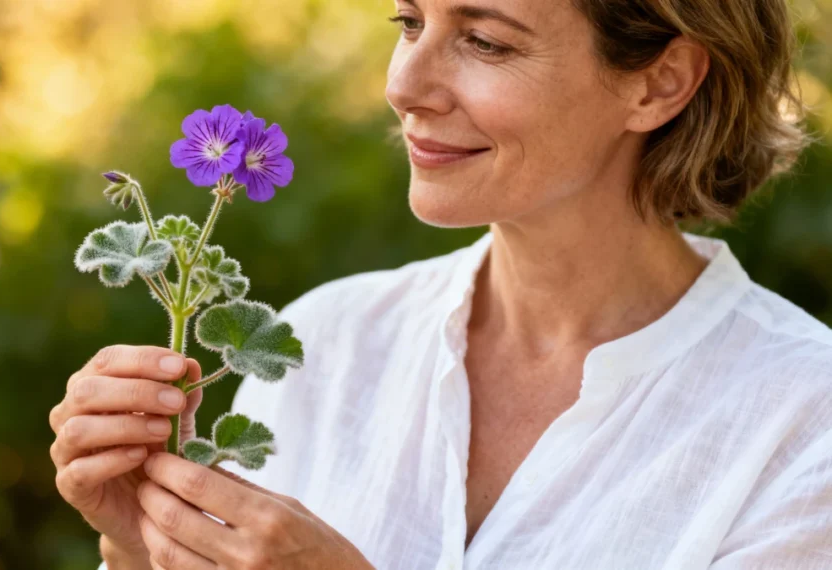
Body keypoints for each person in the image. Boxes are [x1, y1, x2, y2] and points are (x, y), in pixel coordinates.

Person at [49, 0, 832, 568]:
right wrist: (142, 545)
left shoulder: (804, 421)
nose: (405, 85)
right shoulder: (321, 343)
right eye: (410, 22)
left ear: (659, 83)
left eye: (485, 41)